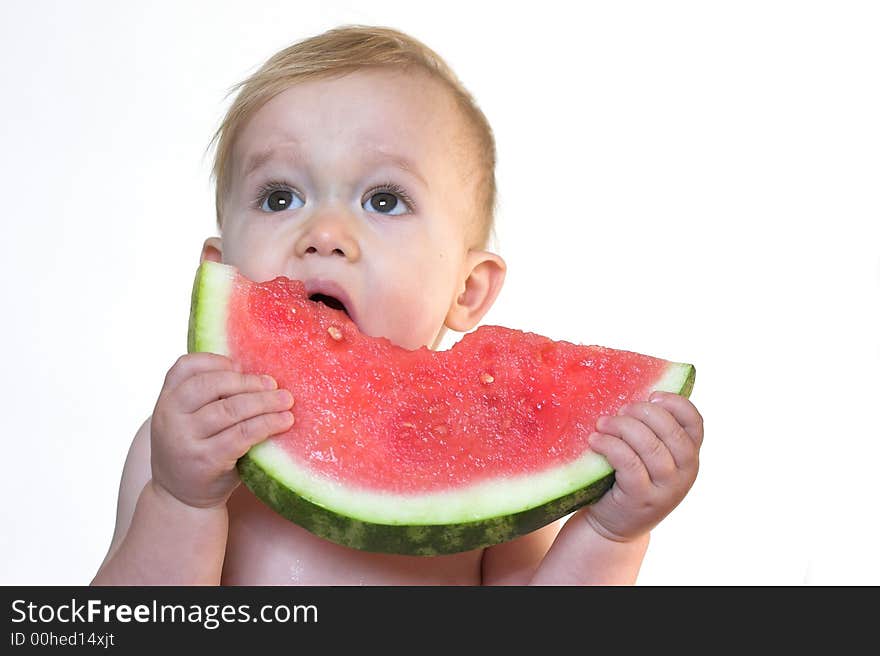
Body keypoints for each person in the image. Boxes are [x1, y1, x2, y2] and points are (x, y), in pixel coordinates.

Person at [92, 25, 703, 586]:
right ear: (217, 269)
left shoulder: (483, 461)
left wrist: (610, 534)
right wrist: (180, 501)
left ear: (469, 289)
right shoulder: (178, 449)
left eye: (384, 200)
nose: (325, 231)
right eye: (280, 197)